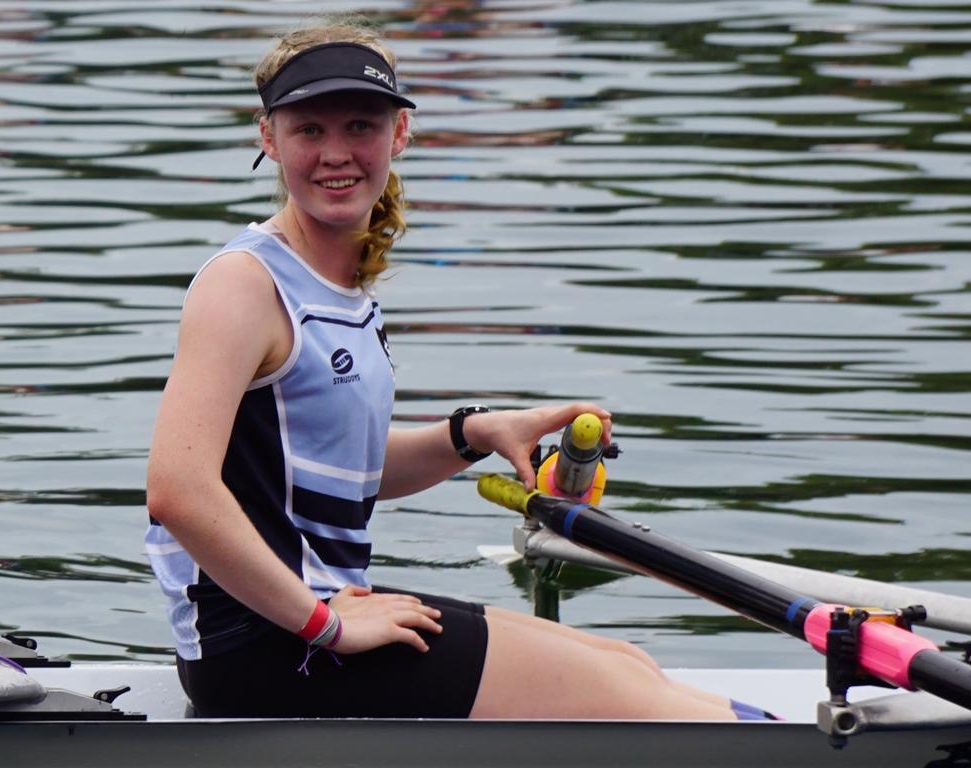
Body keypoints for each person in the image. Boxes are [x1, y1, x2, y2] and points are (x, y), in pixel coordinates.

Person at [144, 19, 773, 722]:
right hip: (268, 650)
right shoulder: (243, 284)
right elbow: (178, 492)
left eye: (360, 125)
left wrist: (475, 432)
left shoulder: (338, 285)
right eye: (309, 131)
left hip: (311, 622)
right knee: (629, 700)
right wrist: (327, 626)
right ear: (269, 138)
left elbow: (336, 469)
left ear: (399, 135)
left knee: (628, 663)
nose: (337, 154)